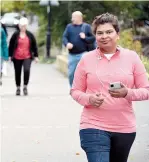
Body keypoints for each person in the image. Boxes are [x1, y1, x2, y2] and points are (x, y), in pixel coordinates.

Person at [70, 13, 149, 162]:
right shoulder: (86, 59)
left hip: (124, 127)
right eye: (99, 33)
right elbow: (75, 91)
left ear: (117, 34)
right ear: (95, 36)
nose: (104, 36)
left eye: (109, 32)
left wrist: (128, 93)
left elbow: (146, 90)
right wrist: (89, 99)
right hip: (92, 125)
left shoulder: (131, 57)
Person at [62, 11, 95, 87]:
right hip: (72, 54)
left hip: (83, 53)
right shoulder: (69, 27)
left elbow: (93, 39)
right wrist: (67, 43)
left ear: (79, 18)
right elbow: (64, 37)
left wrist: (85, 38)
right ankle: (72, 88)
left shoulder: (86, 27)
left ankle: (85, 88)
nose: (72, 19)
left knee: (84, 72)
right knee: (71, 73)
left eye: (73, 17)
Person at [9, 17, 39, 96]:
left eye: (24, 26)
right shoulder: (16, 34)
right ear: (19, 26)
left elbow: (34, 45)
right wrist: (9, 55)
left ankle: (25, 86)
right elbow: (11, 45)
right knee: (17, 72)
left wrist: (36, 56)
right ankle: (18, 87)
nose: (23, 27)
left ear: (26, 26)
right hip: (17, 56)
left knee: (26, 70)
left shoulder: (30, 35)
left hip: (27, 56)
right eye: (22, 26)